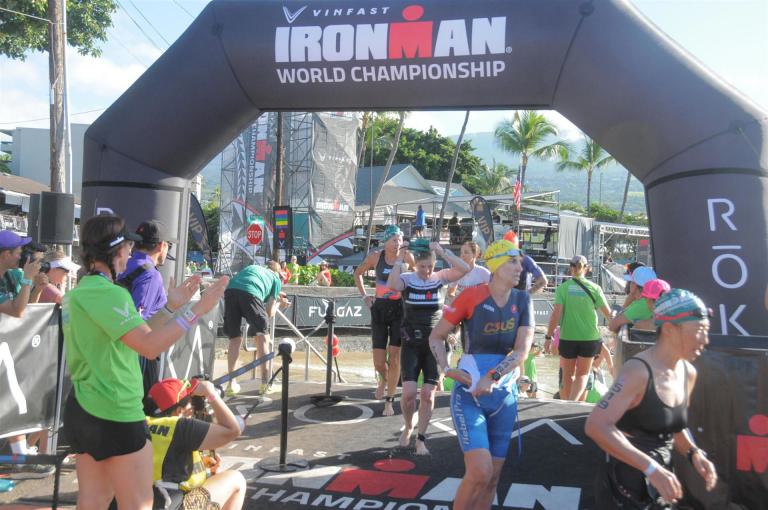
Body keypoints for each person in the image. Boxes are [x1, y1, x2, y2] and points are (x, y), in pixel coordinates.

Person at [62, 214, 227, 510]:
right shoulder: (110, 294)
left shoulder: (78, 294)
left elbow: (139, 334)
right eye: (128, 247)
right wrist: (198, 310)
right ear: (116, 250)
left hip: (82, 409)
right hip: (116, 412)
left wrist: (172, 307)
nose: (131, 253)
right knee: (138, 504)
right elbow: (150, 347)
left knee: (94, 499)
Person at [585, 289, 718, 508]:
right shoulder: (638, 372)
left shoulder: (688, 373)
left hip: (659, 481)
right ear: (669, 329)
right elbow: (596, 425)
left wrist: (694, 454)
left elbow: (673, 426)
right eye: (699, 330)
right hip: (624, 485)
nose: (705, 340)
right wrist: (650, 467)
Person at [428, 239, 534, 510]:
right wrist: (447, 369)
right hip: (469, 395)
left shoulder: (523, 300)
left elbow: (521, 351)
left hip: (503, 396)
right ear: (496, 265)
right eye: (513, 262)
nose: (520, 268)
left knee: (493, 477)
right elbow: (436, 336)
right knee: (480, 472)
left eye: (520, 263)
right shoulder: (470, 296)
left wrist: (493, 376)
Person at [386, 239, 469, 455]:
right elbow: (392, 285)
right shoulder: (407, 279)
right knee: (408, 394)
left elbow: (464, 269)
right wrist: (399, 257)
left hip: (435, 344)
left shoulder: (440, 278)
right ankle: (408, 426)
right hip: (411, 343)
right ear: (416, 265)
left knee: (428, 395)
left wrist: (442, 251)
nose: (427, 271)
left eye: (430, 266)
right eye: (422, 267)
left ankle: (421, 438)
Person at [144, 378, 246, 510]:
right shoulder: (179, 426)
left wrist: (200, 464)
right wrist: (210, 393)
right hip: (172, 505)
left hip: (142, 502)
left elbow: (163, 463)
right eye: (190, 404)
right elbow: (233, 430)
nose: (193, 410)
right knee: (236, 479)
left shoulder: (141, 424)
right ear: (179, 411)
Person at [0, 230, 52, 479]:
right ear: (5, 254)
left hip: (7, 349)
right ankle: (20, 459)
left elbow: (26, 308)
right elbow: (17, 311)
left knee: (12, 397)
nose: (22, 256)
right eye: (18, 251)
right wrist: (28, 279)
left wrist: (37, 288)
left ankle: (20, 458)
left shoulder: (12, 274)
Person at [353, 225, 415, 416]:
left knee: (394, 357)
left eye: (400, 239)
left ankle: (389, 400)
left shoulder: (407, 257)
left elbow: (421, 276)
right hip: (379, 308)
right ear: (386, 241)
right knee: (379, 362)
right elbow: (358, 273)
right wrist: (365, 297)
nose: (397, 243)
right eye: (394, 240)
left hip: (399, 310)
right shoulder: (376, 256)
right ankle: (384, 379)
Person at [118, 220, 177, 396]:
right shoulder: (151, 275)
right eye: (169, 246)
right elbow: (137, 321)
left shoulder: (123, 265)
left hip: (117, 352)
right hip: (138, 355)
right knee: (145, 405)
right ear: (162, 245)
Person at [546, 255, 612, 401]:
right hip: (589, 338)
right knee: (583, 374)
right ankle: (573, 403)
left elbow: (556, 315)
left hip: (568, 337)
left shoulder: (563, 288)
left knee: (567, 374)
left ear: (571, 269)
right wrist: (616, 333)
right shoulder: (595, 288)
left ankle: (567, 403)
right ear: (587, 269)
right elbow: (609, 315)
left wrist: (548, 337)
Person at [223, 261, 282, 395]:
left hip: (231, 290)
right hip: (251, 292)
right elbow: (269, 312)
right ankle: (266, 383)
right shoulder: (276, 279)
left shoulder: (253, 268)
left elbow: (249, 285)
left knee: (235, 338)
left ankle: (231, 384)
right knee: (262, 337)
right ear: (277, 272)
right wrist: (279, 303)